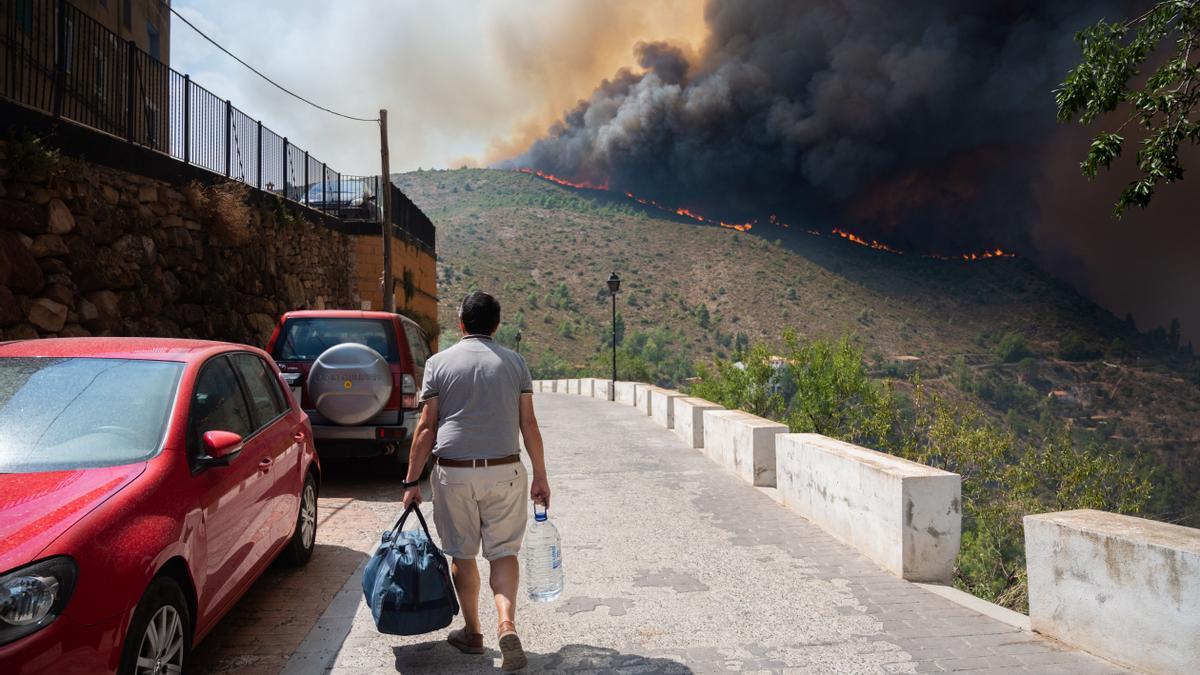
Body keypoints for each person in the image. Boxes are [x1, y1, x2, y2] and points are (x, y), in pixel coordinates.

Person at [401, 291, 551, 672]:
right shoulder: (515, 363)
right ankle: (507, 624)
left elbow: (425, 428)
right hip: (505, 469)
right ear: (496, 326)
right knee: (503, 552)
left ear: (461, 323)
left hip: (454, 472)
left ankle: (473, 632)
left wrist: (411, 481)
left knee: (462, 553)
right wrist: (540, 475)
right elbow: (528, 423)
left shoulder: (438, 363)